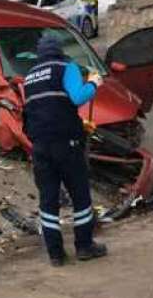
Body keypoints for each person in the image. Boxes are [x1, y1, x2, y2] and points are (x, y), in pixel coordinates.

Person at [23, 34, 107, 267]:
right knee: (80, 195)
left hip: (40, 145)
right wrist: (93, 83)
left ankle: (55, 254)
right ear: (59, 50)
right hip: (66, 143)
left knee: (48, 200)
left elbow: (36, 110)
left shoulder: (29, 77)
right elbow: (78, 97)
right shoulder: (65, 67)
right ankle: (84, 246)